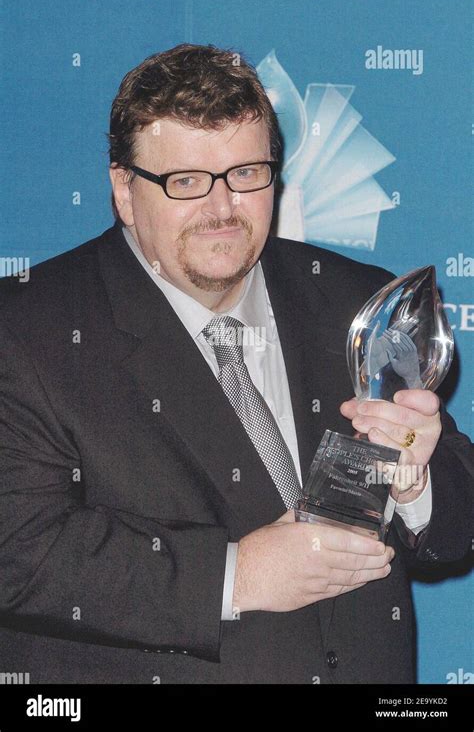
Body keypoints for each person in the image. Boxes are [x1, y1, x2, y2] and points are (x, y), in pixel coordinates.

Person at [0, 43, 471, 685]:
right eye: (186, 182)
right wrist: (237, 574)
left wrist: (416, 484)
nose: (223, 209)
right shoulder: (28, 329)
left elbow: (458, 526)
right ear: (123, 190)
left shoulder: (356, 301)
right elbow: (18, 551)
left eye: (247, 173)